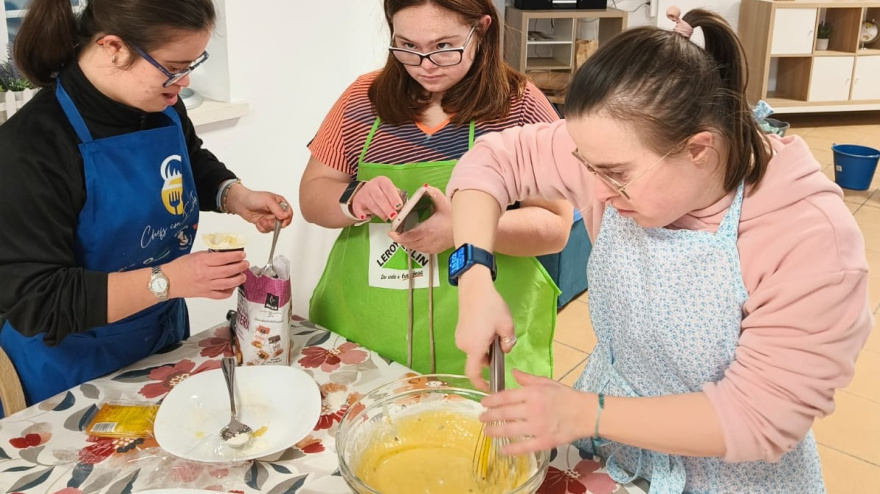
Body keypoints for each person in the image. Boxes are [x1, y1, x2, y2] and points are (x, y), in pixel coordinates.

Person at [447, 7, 873, 493]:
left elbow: (760, 417)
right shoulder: (614, 148)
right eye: (588, 166)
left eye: (615, 174)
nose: (596, 191)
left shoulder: (809, 237)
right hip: (612, 453)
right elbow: (491, 162)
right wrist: (474, 276)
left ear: (699, 149)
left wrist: (586, 413)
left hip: (730, 476)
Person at [0, 0, 292, 415]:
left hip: (161, 333)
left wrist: (233, 194)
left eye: (192, 64)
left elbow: (187, 161)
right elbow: (39, 299)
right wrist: (170, 279)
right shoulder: (29, 148)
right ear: (113, 47)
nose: (183, 82)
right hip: (70, 364)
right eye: (173, 67)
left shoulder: (163, 107)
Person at [300, 0, 572, 378]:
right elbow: (312, 195)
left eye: (444, 46)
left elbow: (555, 227)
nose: (425, 65)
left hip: (481, 339)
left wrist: (463, 230)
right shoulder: (362, 99)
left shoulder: (520, 106)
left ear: (482, 29)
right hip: (369, 332)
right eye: (408, 46)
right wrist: (353, 197)